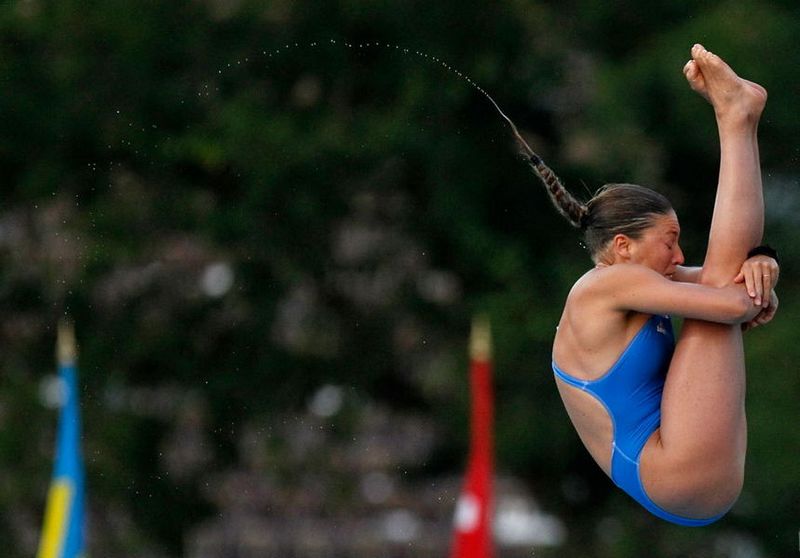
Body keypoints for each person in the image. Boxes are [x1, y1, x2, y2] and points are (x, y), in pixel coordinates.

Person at [535, 44, 778, 526]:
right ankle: (736, 120)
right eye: (670, 241)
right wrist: (755, 280)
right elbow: (732, 301)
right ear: (623, 246)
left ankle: (738, 118)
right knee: (725, 276)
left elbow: (729, 289)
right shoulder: (603, 286)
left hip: (679, 480)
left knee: (724, 273)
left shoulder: (633, 282)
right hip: (674, 471)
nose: (679, 256)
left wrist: (762, 272)